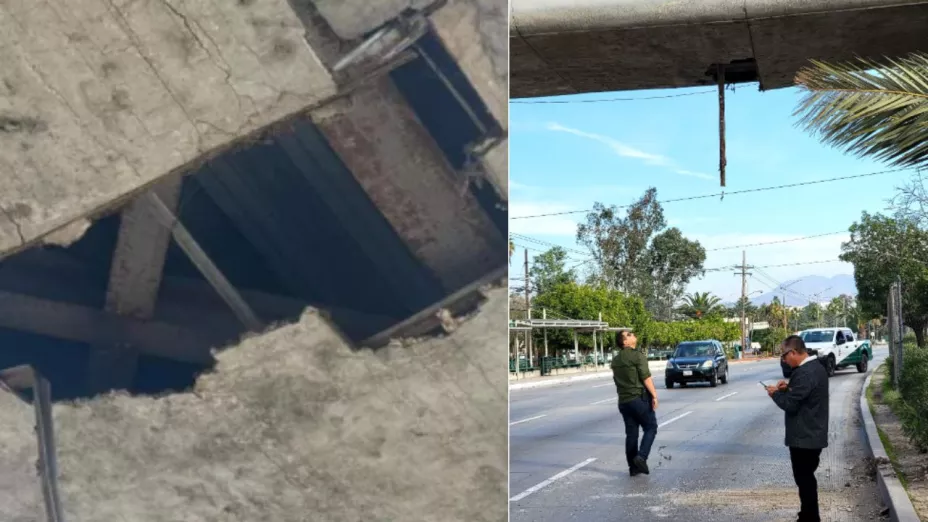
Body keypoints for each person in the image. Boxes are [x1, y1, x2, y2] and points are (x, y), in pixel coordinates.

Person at [765, 335, 829, 522]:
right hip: (811, 434)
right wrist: (787, 389)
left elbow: (791, 405)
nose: (783, 360)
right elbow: (803, 394)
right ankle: (807, 514)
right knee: (805, 478)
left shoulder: (805, 372)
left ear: (793, 352)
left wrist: (775, 394)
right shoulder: (814, 368)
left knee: (805, 480)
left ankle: (810, 517)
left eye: (784, 356)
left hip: (805, 437)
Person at [611, 330, 658, 476]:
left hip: (624, 402)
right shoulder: (637, 356)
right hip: (638, 399)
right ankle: (641, 457)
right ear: (624, 342)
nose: (633, 335)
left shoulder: (616, 360)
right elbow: (646, 377)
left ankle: (633, 468)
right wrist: (654, 396)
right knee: (651, 427)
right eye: (629, 334)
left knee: (631, 434)